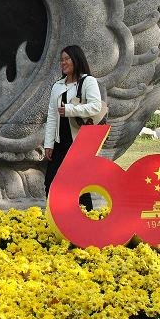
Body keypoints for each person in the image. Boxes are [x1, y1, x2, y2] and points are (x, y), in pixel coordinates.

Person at [43, 45, 104, 211]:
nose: (63, 63)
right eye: (61, 60)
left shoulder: (88, 81)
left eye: (67, 59)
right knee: (51, 182)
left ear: (76, 59)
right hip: (60, 142)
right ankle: (57, 218)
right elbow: (52, 115)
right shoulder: (57, 85)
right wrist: (49, 144)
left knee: (80, 185)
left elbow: (96, 106)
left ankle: (87, 219)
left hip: (78, 142)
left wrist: (70, 110)